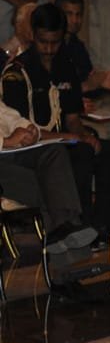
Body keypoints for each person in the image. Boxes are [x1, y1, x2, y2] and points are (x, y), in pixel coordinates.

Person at [0, 2, 110, 248]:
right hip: (35, 146)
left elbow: (70, 117)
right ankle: (78, 225)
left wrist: (82, 134)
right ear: (33, 36)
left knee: (109, 150)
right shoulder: (17, 72)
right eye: (43, 41)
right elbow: (21, 123)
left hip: (50, 140)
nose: (48, 49)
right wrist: (68, 137)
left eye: (54, 42)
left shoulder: (64, 65)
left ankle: (103, 226)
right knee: (77, 153)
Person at [55, 0, 110, 170]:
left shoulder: (77, 47)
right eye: (69, 14)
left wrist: (102, 84)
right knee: (100, 133)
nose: (75, 20)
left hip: (84, 110)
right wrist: (86, 89)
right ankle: (96, 189)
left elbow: (89, 84)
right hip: (63, 114)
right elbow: (56, 88)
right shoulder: (52, 47)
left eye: (78, 14)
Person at [0, 98, 96, 253]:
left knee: (54, 151)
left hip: (12, 152)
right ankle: (64, 233)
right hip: (4, 158)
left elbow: (11, 117)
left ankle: (62, 230)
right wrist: (6, 141)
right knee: (49, 184)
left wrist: (30, 130)